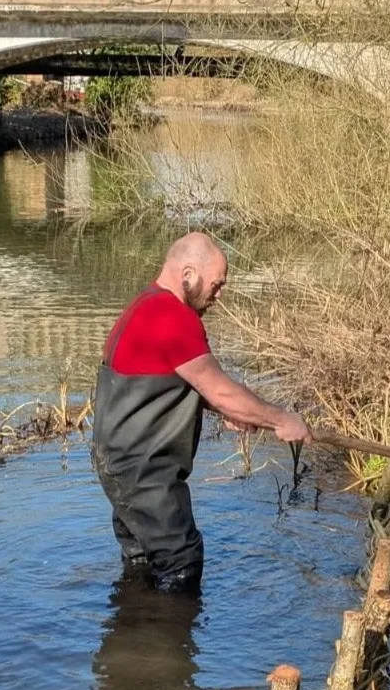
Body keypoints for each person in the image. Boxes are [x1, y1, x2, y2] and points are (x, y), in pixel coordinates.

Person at [91, 232, 311, 593]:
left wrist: (221, 406)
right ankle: (171, 645)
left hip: (119, 465)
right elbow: (221, 388)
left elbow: (174, 381)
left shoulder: (144, 305)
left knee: (144, 563)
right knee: (181, 561)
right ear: (188, 273)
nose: (219, 296)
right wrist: (282, 419)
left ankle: (133, 638)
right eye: (217, 284)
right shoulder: (171, 317)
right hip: (145, 472)